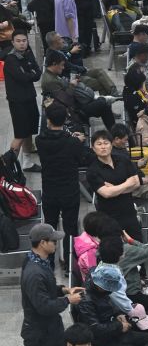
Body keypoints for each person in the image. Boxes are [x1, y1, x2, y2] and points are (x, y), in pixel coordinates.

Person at [36, 103, 88, 265]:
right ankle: (70, 263)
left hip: (50, 190)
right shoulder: (72, 143)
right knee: (70, 228)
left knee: (50, 227)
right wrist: (78, 141)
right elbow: (81, 160)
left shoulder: (40, 141)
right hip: (69, 191)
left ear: (48, 120)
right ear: (65, 120)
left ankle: (49, 261)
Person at [86, 131, 143, 240]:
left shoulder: (123, 160)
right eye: (99, 144)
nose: (103, 147)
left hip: (129, 213)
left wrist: (114, 189)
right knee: (114, 251)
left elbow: (136, 182)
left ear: (111, 145)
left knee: (138, 248)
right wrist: (126, 184)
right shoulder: (92, 171)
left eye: (106, 143)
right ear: (93, 148)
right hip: (109, 218)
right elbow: (106, 193)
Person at [4, 29, 42, 171]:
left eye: (24, 40)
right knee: (20, 134)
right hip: (18, 101)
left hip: (30, 97)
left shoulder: (27, 53)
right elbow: (23, 78)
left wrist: (29, 73)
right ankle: (8, 168)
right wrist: (30, 73)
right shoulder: (11, 59)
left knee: (29, 131)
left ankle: (26, 162)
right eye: (18, 41)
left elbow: (38, 73)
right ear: (13, 42)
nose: (22, 44)